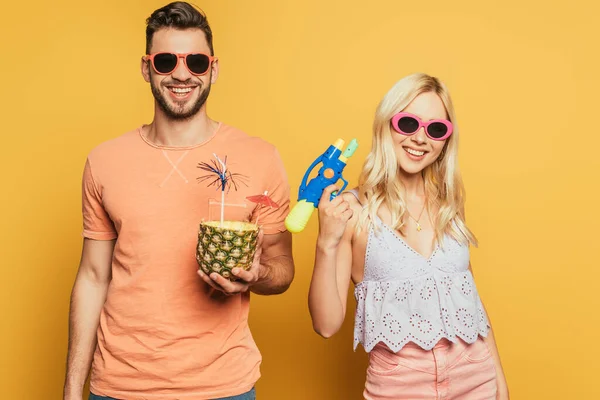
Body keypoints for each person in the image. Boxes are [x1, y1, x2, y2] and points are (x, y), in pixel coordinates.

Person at [63, 2, 294, 399]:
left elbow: (283, 268)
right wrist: (71, 390)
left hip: (224, 386)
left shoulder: (261, 158)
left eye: (197, 62)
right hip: (120, 385)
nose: (182, 74)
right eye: (167, 61)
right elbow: (92, 277)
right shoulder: (104, 161)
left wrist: (258, 275)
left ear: (214, 69)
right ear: (146, 67)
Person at [308, 73, 509, 399]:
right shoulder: (352, 210)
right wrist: (326, 242)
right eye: (408, 123)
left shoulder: (449, 204)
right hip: (400, 389)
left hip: (477, 382)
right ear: (386, 124)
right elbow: (326, 325)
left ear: (445, 141)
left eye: (436, 129)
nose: (420, 138)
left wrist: (499, 381)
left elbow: (470, 300)